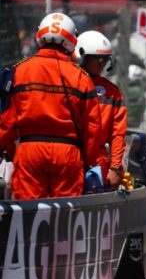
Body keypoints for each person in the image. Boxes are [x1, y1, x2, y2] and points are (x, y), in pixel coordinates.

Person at [0, 12, 104, 200]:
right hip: (68, 155)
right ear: (72, 39)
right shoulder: (81, 77)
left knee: (29, 215)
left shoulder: (19, 71)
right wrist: (90, 162)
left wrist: (10, 151)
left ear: (40, 36)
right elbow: (92, 128)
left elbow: (6, 121)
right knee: (65, 215)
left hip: (29, 151)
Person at [75, 30, 127, 188]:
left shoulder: (112, 92)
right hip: (70, 156)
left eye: (106, 58)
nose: (102, 63)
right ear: (81, 56)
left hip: (98, 164)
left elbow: (118, 134)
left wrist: (116, 167)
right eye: (98, 58)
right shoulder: (67, 83)